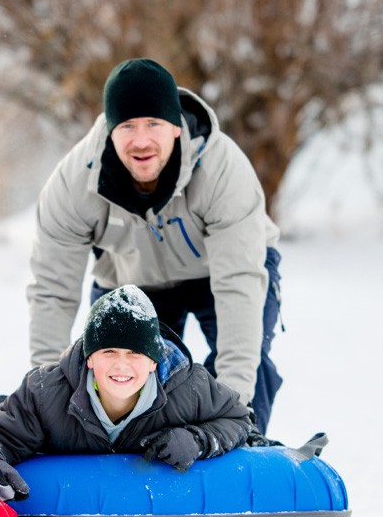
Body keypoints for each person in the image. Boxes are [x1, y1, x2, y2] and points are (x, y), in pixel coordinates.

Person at [27, 58, 283, 432]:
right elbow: (52, 290)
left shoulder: (223, 170)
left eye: (154, 124)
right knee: (126, 376)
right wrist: (45, 394)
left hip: (224, 274)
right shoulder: (73, 184)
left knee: (246, 367)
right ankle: (138, 464)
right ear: (109, 131)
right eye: (127, 126)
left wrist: (232, 411)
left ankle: (241, 449)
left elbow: (239, 285)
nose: (141, 140)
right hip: (133, 279)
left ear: (177, 127)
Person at [0, 285, 254, 501]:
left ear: (154, 360)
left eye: (135, 353)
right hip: (27, 416)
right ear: (90, 357)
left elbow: (240, 420)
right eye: (109, 351)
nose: (122, 365)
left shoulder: (189, 387)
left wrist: (196, 440)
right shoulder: (45, 392)